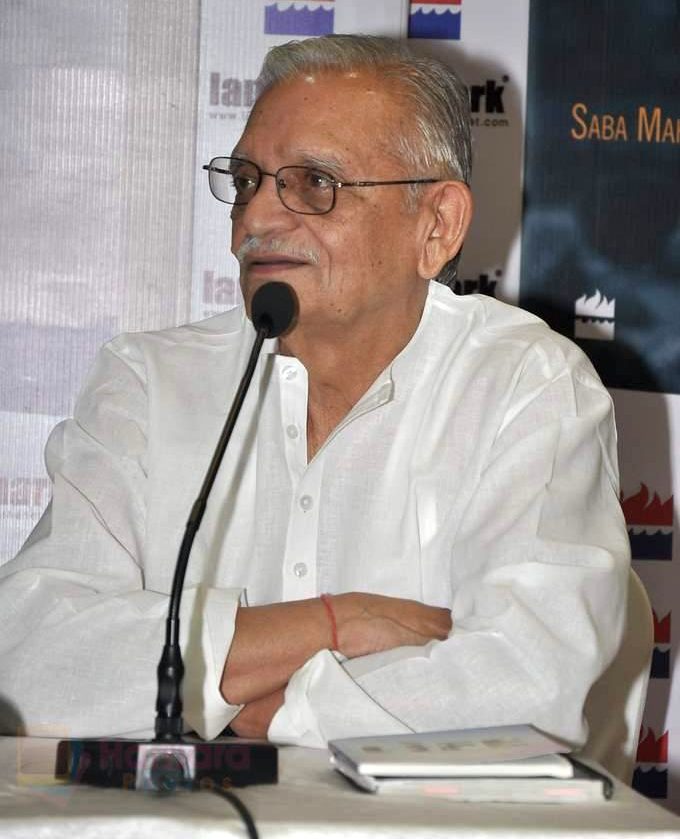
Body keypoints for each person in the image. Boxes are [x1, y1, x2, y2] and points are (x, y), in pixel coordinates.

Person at [0, 35, 629, 748]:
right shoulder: (150, 383)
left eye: (313, 183)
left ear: (437, 225)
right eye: (246, 181)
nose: (256, 219)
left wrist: (258, 710)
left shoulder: (525, 385)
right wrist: (333, 623)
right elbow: (23, 659)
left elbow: (531, 681)